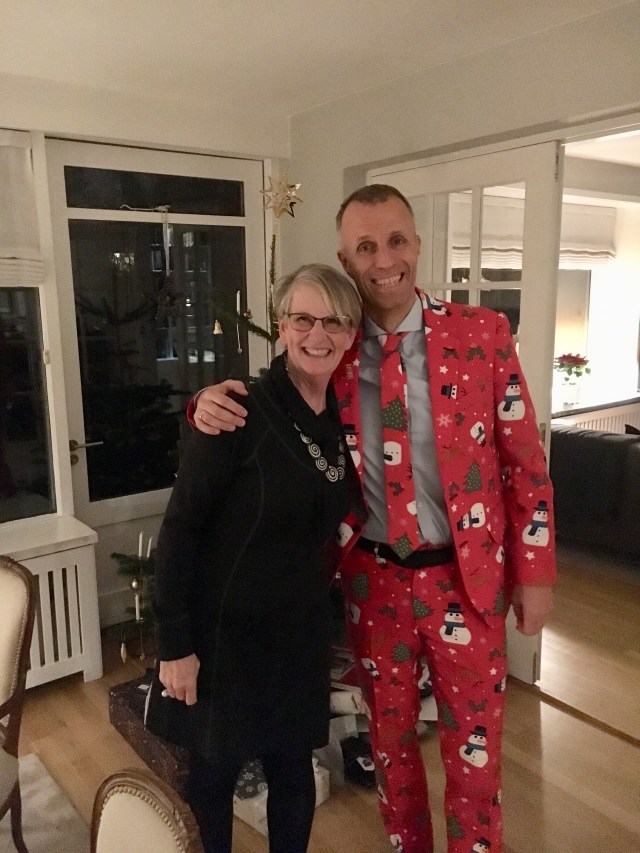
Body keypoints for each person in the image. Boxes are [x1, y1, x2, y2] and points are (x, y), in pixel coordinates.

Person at [190, 185, 556, 853]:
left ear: (417, 244)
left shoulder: (481, 334)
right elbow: (270, 407)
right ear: (346, 260)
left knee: (475, 758)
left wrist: (535, 573)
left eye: (395, 241)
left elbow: (525, 463)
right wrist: (203, 404)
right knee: (390, 750)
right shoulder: (332, 346)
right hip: (373, 583)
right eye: (365, 247)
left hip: (466, 584)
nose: (384, 260)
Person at [153, 263, 362, 853]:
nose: (317, 334)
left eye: (333, 321)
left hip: (297, 632)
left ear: (351, 333)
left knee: (294, 772)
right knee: (213, 779)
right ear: (281, 326)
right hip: (226, 635)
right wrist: (174, 645)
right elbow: (180, 530)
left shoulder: (342, 415)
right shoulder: (239, 409)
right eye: (303, 318)